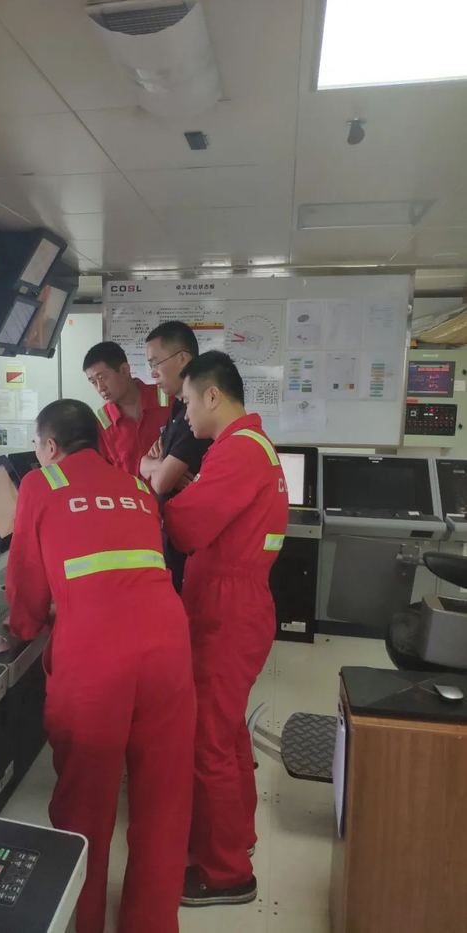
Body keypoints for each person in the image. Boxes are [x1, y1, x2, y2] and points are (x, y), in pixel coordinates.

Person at [6, 398, 196, 933]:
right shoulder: (138, 487)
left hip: (95, 657)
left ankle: (84, 923)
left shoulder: (40, 484)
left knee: (85, 805)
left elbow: (26, 585)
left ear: (49, 446)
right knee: (162, 799)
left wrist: (24, 628)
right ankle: (150, 923)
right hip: (168, 648)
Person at [163, 351, 288, 908]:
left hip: (226, 610)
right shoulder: (248, 445)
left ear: (212, 395)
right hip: (236, 604)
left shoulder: (237, 450)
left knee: (207, 741)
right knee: (229, 733)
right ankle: (236, 838)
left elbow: (187, 528)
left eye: (187, 401)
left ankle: (227, 873)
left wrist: (167, 497)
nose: (185, 414)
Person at [139, 321, 212, 592]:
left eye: (156, 363)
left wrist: (157, 469)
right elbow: (144, 463)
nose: (152, 373)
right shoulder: (178, 409)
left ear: (182, 359)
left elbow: (160, 482)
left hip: (190, 543)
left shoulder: (196, 418)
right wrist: (156, 465)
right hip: (171, 534)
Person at [83, 341, 171, 478]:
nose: (100, 388)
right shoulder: (101, 423)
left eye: (102, 378)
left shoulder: (169, 399)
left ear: (124, 370)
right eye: (94, 382)